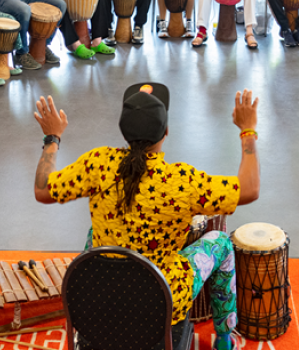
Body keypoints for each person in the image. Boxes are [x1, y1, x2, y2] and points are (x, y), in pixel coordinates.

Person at [32, 83, 260, 350]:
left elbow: (42, 190)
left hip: (103, 298)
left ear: (124, 131)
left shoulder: (97, 163)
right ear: (165, 132)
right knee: (221, 242)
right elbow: (250, 188)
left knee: (94, 235)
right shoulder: (182, 181)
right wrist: (248, 131)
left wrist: (52, 137)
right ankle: (224, 339)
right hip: (162, 305)